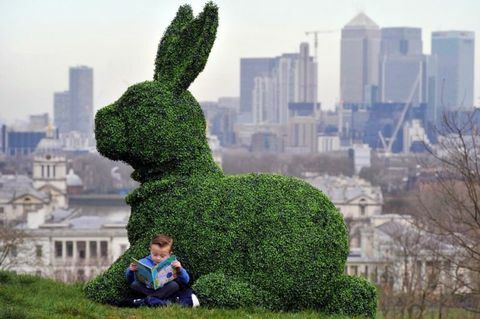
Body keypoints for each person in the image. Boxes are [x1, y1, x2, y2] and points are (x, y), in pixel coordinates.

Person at [125, 234, 190, 307]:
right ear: (150, 250)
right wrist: (130, 271)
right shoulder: (143, 262)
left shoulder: (173, 263)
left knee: (174, 285)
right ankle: (156, 300)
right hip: (147, 289)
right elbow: (130, 280)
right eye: (155, 255)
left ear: (169, 254)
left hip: (164, 290)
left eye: (162, 256)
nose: (158, 258)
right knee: (134, 284)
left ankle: (148, 300)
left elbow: (185, 281)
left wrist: (180, 270)